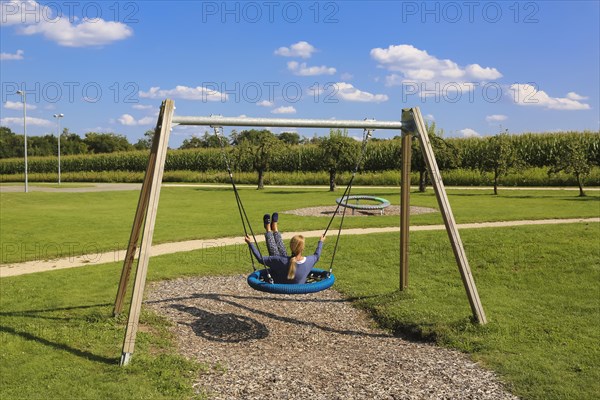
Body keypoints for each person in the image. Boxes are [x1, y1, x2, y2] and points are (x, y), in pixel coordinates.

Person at [244, 212, 326, 284]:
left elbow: (260, 259)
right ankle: (274, 229)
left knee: (277, 255)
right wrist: (321, 241)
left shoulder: (281, 261)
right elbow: (317, 255)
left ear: (291, 246)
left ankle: (269, 229)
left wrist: (250, 243)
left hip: (279, 282)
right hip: (295, 279)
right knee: (282, 256)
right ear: (303, 248)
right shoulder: (309, 260)